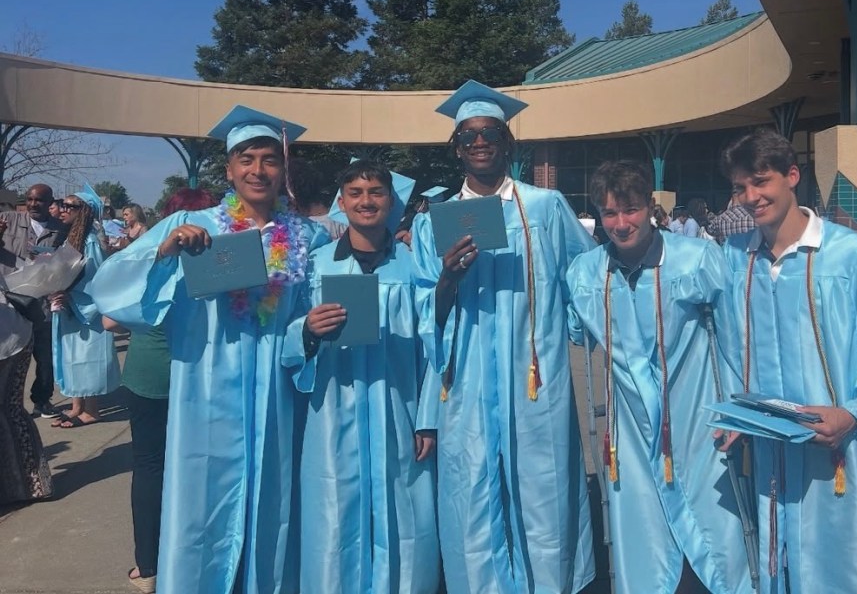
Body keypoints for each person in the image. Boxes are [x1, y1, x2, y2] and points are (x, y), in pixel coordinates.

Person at [92, 106, 330, 594]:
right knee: (203, 494)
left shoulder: (307, 236)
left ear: (283, 169)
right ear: (229, 170)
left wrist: (307, 331)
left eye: (269, 160)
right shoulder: (191, 223)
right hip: (206, 380)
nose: (258, 170)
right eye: (246, 159)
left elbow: (311, 310)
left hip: (277, 388)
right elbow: (112, 289)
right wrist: (165, 251)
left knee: (273, 495)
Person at [716, 128, 857, 594]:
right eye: (740, 187)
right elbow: (730, 349)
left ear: (792, 176)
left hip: (849, 455)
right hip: (775, 459)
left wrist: (854, 414)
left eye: (762, 181)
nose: (751, 197)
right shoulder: (737, 261)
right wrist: (737, 415)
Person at [411, 80, 596, 594]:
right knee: (472, 495)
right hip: (466, 383)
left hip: (535, 379)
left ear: (507, 142)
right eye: (468, 136)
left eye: (490, 133)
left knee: (542, 491)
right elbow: (425, 311)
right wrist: (448, 278)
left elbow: (587, 280)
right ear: (456, 148)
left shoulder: (545, 207)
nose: (479, 142)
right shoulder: (434, 223)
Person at [566, 160, 753, 594]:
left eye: (630, 210)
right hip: (630, 431)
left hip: (696, 419)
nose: (621, 223)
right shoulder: (586, 273)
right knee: (646, 534)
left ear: (650, 206)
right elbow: (575, 333)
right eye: (609, 213)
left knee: (715, 532)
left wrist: (739, 412)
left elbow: (735, 342)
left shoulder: (696, 259)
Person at [286, 159, 441, 594]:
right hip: (333, 415)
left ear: (391, 201)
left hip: (399, 410)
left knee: (404, 514)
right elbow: (286, 342)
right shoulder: (315, 266)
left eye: (376, 192)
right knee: (334, 516)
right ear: (342, 201)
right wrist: (306, 331)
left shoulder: (414, 266)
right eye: (355, 193)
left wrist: (428, 418)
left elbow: (435, 346)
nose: (366, 201)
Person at [107, 187, 218, 594]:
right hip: (196, 375)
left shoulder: (157, 255)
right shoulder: (220, 259)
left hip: (152, 373)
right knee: (197, 467)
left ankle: (149, 566)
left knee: (151, 467)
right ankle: (192, 555)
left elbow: (109, 320)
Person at [50, 185, 121, 428]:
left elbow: (97, 280)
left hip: (86, 311)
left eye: (70, 206)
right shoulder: (72, 237)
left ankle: (92, 410)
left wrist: (69, 294)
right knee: (72, 358)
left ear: (85, 211)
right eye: (63, 204)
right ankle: (76, 406)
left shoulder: (90, 241)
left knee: (87, 358)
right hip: (70, 308)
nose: (63, 209)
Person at [0, 183, 65, 418]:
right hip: (10, 300)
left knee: (45, 356)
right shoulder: (8, 220)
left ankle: (42, 400)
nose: (33, 204)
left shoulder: (61, 229)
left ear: (50, 203)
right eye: (29, 199)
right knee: (8, 354)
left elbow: (67, 260)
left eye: (39, 200)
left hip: (41, 302)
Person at [0, 292, 53, 503]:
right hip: (18, 333)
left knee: (10, 411)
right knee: (12, 411)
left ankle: (18, 487)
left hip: (10, 338)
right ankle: (34, 486)